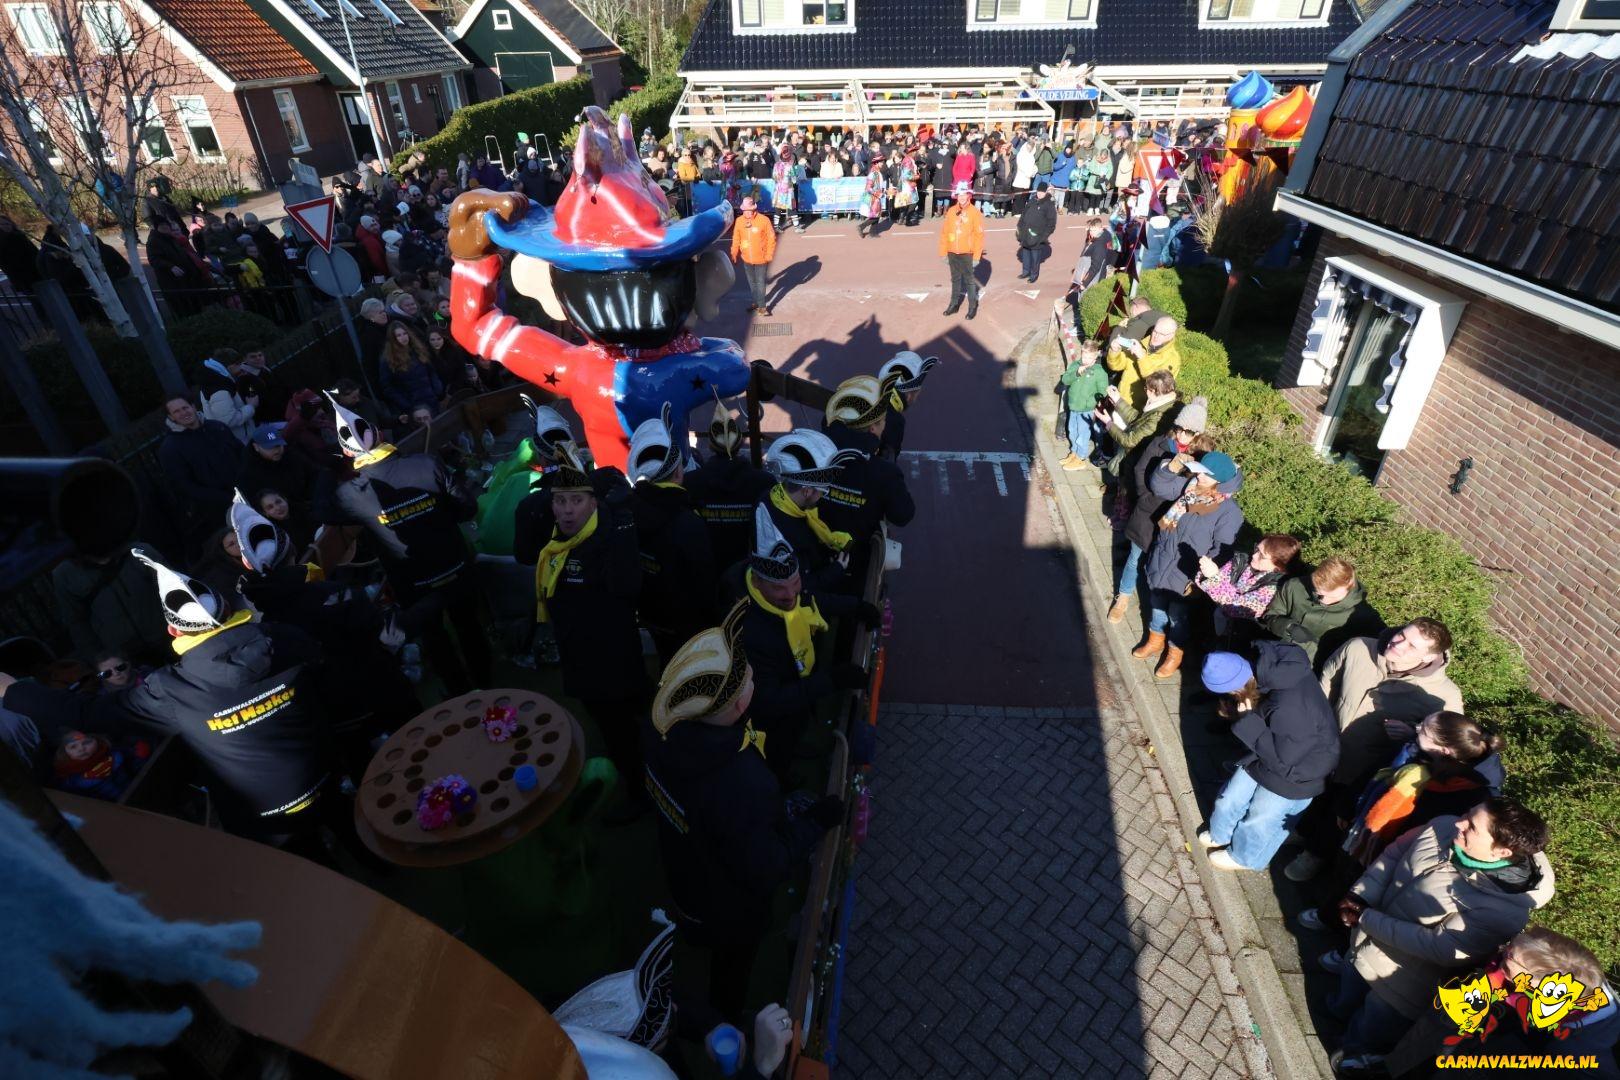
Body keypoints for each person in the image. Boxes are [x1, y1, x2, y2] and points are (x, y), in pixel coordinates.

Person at [0, 550, 333, 841]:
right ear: (226, 608)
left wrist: (13, 691)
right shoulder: (284, 637)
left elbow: (86, 713)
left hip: (264, 819)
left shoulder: (172, 690)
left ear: (174, 630)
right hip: (328, 780)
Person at [645, 607, 842, 1020]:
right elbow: (765, 866)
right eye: (750, 679)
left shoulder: (660, 733)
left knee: (700, 925)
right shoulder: (741, 782)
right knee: (733, 962)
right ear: (737, 706)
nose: (754, 680)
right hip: (730, 905)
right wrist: (815, 822)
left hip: (686, 876)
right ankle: (727, 1014)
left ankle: (695, 934)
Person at [1320, 799, 1554, 1071]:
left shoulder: (1505, 910)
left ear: (1501, 851)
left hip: (1400, 981)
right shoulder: (1443, 826)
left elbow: (1438, 947)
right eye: (1467, 812)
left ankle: (1350, 1051)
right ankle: (1334, 1013)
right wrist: (1362, 895)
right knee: (1346, 991)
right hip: (1364, 941)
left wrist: (1366, 918)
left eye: (1472, 827)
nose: (1459, 822)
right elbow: (1395, 853)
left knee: (1370, 1024)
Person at [326, 393, 490, 694]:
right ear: (379, 434)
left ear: (347, 452)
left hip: (411, 581)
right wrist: (439, 518)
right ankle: (487, 683)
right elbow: (467, 508)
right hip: (452, 563)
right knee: (468, 624)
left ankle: (459, 691)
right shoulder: (426, 463)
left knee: (434, 636)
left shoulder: (348, 494)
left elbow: (322, 510)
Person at [533, 448, 649, 805]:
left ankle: (639, 793)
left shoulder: (607, 537)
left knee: (621, 731)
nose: (567, 510)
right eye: (561, 501)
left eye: (577, 500)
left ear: (594, 504)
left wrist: (623, 522)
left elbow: (627, 585)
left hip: (609, 660)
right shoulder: (559, 540)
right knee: (617, 721)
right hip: (579, 653)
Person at [735, 506, 867, 782]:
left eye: (794, 582)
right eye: (779, 588)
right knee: (774, 759)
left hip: (796, 689)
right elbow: (770, 702)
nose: (790, 595)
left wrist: (856, 606)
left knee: (792, 735)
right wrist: (829, 681)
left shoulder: (785, 594)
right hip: (769, 720)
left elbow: (810, 599)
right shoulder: (752, 632)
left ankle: (793, 750)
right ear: (756, 583)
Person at [1196, 643, 1340, 871]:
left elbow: (1283, 759)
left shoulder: (1288, 706)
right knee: (1230, 796)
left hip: (1300, 768)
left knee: (1262, 816)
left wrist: (1247, 723)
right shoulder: (1265, 667)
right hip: (1273, 744)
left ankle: (1243, 856)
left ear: (1236, 688)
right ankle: (1221, 833)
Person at [1134, 449, 1245, 678]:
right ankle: (1155, 640)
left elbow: (1222, 552)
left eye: (1205, 474)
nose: (1199, 476)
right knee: (1156, 604)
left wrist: (1200, 579)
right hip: (1163, 559)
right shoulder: (1191, 488)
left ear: (1220, 480)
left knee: (1178, 618)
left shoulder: (1229, 512)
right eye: (1199, 471)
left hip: (1186, 574)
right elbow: (1159, 487)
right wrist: (1170, 468)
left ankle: (1175, 654)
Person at [627, 405, 719, 665]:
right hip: (687, 623)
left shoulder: (626, 512)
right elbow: (704, 582)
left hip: (650, 613)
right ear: (679, 473)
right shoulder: (689, 524)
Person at [1104, 375, 1192, 618]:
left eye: (1190, 433)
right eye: (1181, 430)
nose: (1183, 436)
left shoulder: (1200, 453)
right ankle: (1123, 597)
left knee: (1160, 565)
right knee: (1134, 556)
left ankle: (1155, 619)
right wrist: (1145, 496)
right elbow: (1140, 468)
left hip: (1172, 520)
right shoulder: (1161, 442)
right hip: (1149, 509)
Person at [818, 375, 916, 584]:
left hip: (813, 561)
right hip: (859, 568)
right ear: (872, 428)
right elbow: (903, 515)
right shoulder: (885, 473)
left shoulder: (814, 456)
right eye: (883, 422)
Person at [759, 429, 860, 596]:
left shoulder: (769, 497)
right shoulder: (788, 537)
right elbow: (801, 588)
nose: (823, 494)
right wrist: (837, 569)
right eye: (822, 490)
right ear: (806, 491)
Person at [686, 396, 775, 575]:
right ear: (740, 442)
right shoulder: (765, 481)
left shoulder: (690, 482)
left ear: (711, 445)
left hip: (705, 567)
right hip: (749, 570)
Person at [159, 394, 246, 556]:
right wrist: (225, 498)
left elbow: (241, 454)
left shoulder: (217, 427)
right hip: (217, 511)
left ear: (193, 406)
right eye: (176, 411)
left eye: (185, 407)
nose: (183, 413)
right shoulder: (170, 449)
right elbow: (184, 486)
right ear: (170, 417)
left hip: (246, 493)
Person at [51, 547, 169, 665]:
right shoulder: (65, 574)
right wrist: (99, 659)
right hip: (123, 659)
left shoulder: (138, 550)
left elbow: (173, 588)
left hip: (168, 638)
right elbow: (76, 623)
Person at [1258, 556, 1380, 667]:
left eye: (1332, 596)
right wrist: (1288, 626)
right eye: (1319, 594)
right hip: (1275, 652)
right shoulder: (1294, 586)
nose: (1324, 600)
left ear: (1349, 587)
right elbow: (1271, 615)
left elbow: (1379, 645)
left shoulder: (1362, 615)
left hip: (1316, 669)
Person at [1195, 534, 1302, 638]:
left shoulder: (1275, 588)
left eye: (1262, 555)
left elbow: (1235, 608)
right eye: (1257, 549)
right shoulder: (1242, 560)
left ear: (1278, 567)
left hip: (1237, 636)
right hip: (1212, 616)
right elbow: (1208, 585)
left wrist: (1214, 577)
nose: (1254, 555)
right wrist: (1207, 573)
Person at [236, 424, 315, 519]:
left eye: (278, 445)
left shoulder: (291, 455)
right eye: (269, 447)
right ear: (256, 447)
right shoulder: (248, 474)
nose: (276, 450)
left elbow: (315, 473)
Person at [377, 321, 446, 427]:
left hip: (431, 398)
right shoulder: (388, 359)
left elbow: (431, 371)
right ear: (393, 338)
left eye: (404, 333)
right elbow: (388, 387)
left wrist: (437, 389)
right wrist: (407, 405)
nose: (403, 337)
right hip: (414, 404)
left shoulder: (418, 350)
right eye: (399, 335)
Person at [1107, 315, 1183, 411]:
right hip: (1118, 399)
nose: (1156, 336)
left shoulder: (1173, 359)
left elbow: (1159, 386)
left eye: (1161, 334)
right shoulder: (1141, 344)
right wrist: (1114, 351)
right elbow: (1116, 366)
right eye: (1155, 331)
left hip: (1137, 409)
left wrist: (1142, 357)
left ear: (1171, 335)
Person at [874, 350, 938, 459]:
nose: (916, 398)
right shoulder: (895, 421)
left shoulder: (866, 397)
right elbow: (886, 464)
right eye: (916, 392)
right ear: (908, 395)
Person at [1056, 339, 1109, 472]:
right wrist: (1076, 373)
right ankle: (1074, 453)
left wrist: (1093, 402)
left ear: (1095, 357)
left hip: (1087, 410)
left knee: (1083, 434)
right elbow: (1065, 380)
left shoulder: (1099, 372)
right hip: (1074, 406)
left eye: (1090, 357)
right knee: (1072, 431)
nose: (1086, 360)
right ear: (1081, 353)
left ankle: (1081, 458)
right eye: (1084, 356)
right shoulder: (1075, 365)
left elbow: (1103, 391)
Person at [939, 182, 984, 319]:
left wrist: (976, 256)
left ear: (968, 195)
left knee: (969, 281)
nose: (962, 197)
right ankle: (954, 305)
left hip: (967, 253)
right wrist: (943, 252)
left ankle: (972, 307)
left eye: (964, 194)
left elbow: (979, 235)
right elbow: (944, 233)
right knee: (955, 279)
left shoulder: (974, 212)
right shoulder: (951, 211)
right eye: (960, 195)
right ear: (956, 196)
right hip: (952, 252)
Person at [731, 196, 776, 316]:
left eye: (749, 210)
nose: (747, 212)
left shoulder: (764, 220)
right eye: (745, 210)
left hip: (762, 259)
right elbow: (736, 238)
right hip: (747, 259)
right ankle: (756, 302)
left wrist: (769, 254)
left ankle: (762, 307)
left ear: (754, 209)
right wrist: (734, 253)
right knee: (752, 282)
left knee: (760, 282)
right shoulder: (739, 221)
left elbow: (771, 238)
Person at [1015, 182, 1057, 283]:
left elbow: (1051, 224)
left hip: (1038, 236)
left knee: (1035, 258)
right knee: (1025, 255)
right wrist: (1019, 228)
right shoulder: (1032, 200)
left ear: (1045, 192)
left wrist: (1043, 237)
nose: (1039, 193)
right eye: (1038, 191)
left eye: (1042, 192)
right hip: (1026, 234)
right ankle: (1025, 272)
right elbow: (1023, 215)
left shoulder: (1049, 204)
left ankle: (1034, 275)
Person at [858, 166, 886, 239]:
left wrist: (883, 192)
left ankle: (872, 232)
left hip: (876, 197)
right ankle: (861, 226)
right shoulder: (873, 174)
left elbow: (879, 186)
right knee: (875, 215)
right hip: (873, 198)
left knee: (877, 215)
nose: (882, 164)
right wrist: (878, 194)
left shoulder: (877, 173)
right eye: (880, 162)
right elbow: (869, 188)